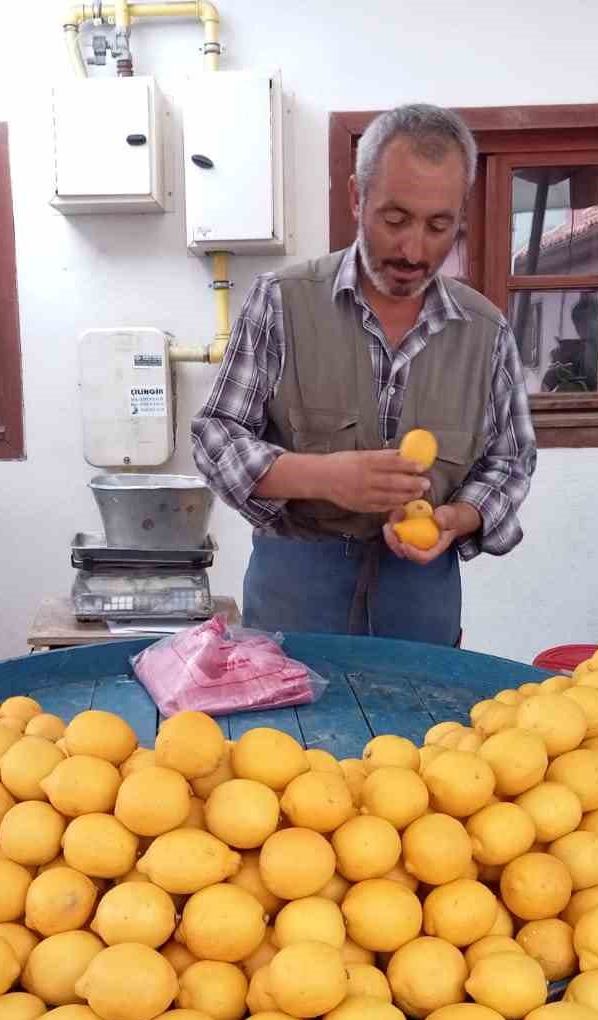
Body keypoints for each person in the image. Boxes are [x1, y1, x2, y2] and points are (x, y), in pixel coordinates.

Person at [190, 103, 536, 645]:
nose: (414, 249)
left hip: (422, 594)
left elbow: (511, 463)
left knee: (429, 730)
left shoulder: (486, 331)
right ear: (357, 197)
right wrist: (322, 477)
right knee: (287, 733)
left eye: (439, 225)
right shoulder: (281, 301)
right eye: (395, 219)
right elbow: (215, 437)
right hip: (295, 588)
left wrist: (457, 518)